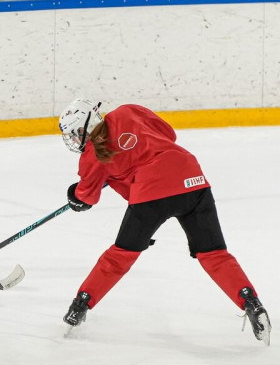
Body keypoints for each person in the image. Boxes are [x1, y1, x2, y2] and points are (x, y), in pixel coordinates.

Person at [58, 98, 271, 343]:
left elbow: (87, 197)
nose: (74, 139)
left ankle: (80, 305)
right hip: (192, 179)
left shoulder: (92, 156)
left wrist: (75, 195)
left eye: (76, 133)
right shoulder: (127, 111)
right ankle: (251, 302)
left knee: (119, 257)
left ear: (87, 125)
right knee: (214, 254)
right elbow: (168, 133)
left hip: (151, 194)